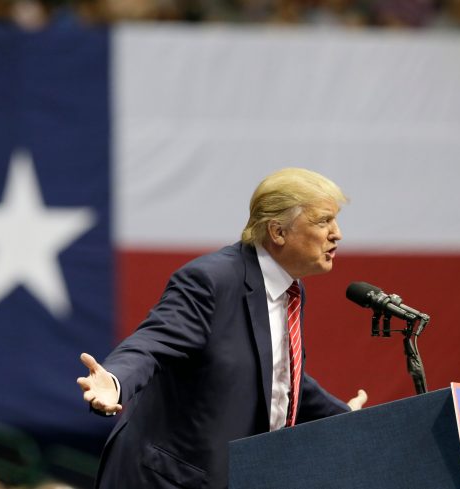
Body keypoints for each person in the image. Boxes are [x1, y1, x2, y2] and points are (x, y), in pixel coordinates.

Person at [76, 167, 368, 489]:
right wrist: (115, 381)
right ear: (278, 232)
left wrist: (344, 416)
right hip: (165, 480)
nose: (337, 233)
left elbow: (275, 372)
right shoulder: (212, 280)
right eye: (323, 221)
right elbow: (152, 343)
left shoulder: (289, 289)